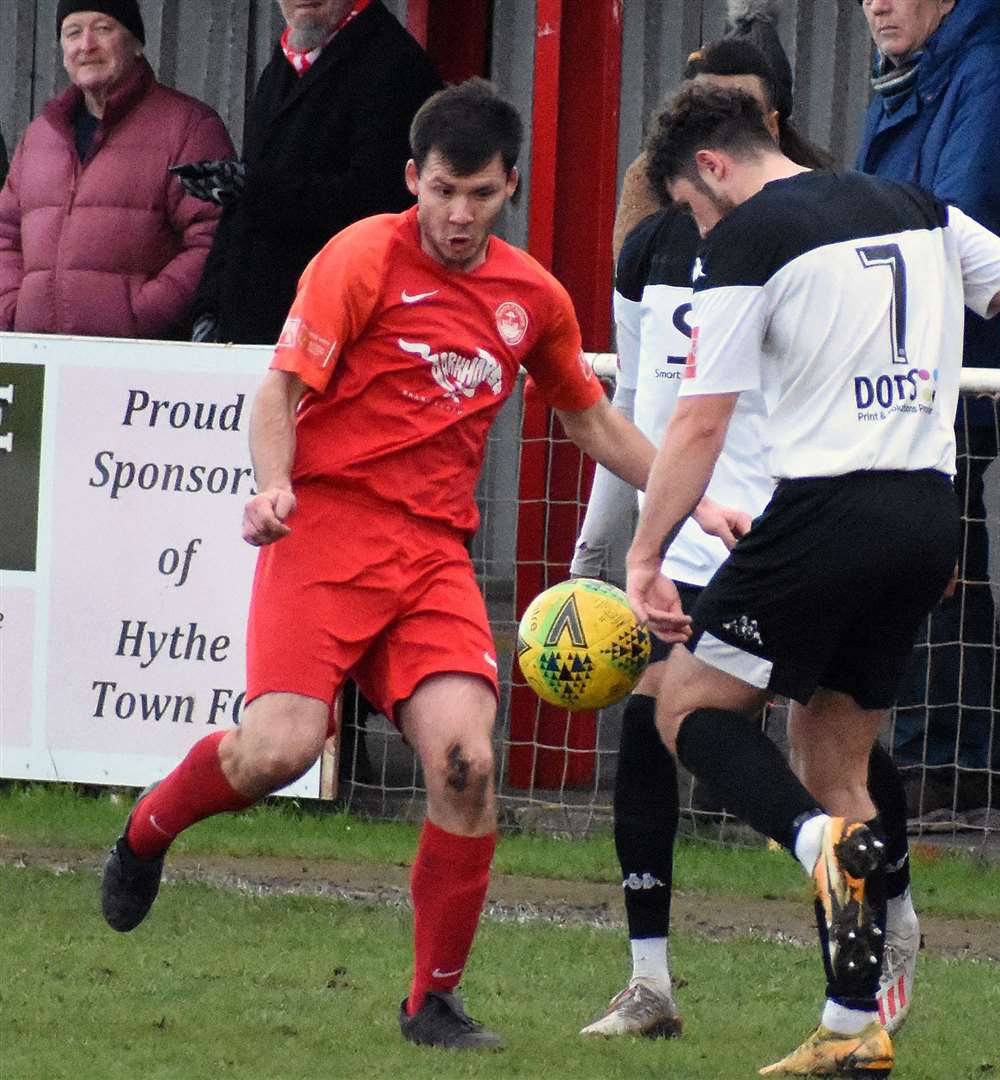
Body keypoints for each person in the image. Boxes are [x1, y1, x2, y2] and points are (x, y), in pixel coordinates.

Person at [98, 79, 747, 1054]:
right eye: (443, 190)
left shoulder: (532, 297)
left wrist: (693, 493)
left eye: (480, 194)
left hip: (430, 559)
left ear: (509, 188)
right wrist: (274, 487)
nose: (457, 214)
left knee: (467, 761)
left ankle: (431, 1001)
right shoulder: (359, 258)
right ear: (413, 178)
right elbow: (277, 395)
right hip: (321, 540)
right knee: (277, 749)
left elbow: (592, 418)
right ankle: (150, 828)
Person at [627, 83, 1000, 1077]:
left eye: (695, 212)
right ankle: (851, 1028)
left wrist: (645, 553)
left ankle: (808, 846)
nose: (701, 232)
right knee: (836, 760)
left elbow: (701, 421)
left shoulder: (749, 238)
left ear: (711, 168)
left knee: (689, 710)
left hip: (827, 506)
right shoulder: (914, 204)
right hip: (928, 516)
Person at [572, 22, 919, 1043]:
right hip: (683, 513)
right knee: (650, 720)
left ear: (772, 115)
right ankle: (649, 982)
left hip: (786, 515)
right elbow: (637, 398)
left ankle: (883, 921)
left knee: (829, 737)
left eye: (736, 97)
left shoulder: (816, 221)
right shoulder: (656, 244)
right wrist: (615, 536)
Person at [853, 0, 1000, 826]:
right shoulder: (907, 81)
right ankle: (956, 756)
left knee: (934, 560)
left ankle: (954, 757)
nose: (878, 4)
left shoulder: (986, 82)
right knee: (936, 554)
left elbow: (952, 219)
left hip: (950, 365)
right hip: (907, 360)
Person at [188, 0, 442, 346]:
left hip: (333, 336)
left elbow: (377, 206)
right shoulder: (285, 64)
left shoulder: (395, 66)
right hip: (254, 333)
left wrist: (255, 189)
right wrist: (209, 307)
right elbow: (243, 205)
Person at [0, 1, 233, 338]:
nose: (86, 45)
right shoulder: (40, 136)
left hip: (133, 369)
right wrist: (12, 311)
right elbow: (5, 235)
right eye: (73, 32)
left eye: (103, 28)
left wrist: (139, 315)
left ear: (136, 44)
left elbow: (215, 237)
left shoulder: (189, 127)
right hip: (41, 365)